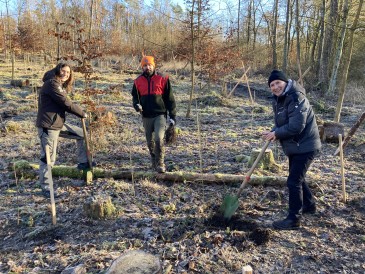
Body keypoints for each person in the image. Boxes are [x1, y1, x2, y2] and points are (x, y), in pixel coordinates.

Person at [262, 70, 321, 230]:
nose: (275, 87)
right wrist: (272, 132)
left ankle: (293, 219)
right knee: (297, 178)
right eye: (272, 85)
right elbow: (283, 122)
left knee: (294, 181)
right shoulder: (280, 100)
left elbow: (296, 125)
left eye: (278, 83)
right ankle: (309, 205)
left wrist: (277, 133)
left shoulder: (296, 97)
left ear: (285, 82)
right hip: (296, 146)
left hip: (305, 146)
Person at [36, 62, 92, 197]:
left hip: (57, 124)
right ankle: (46, 188)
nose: (65, 74)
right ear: (57, 70)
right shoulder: (52, 84)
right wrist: (82, 113)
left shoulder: (58, 84)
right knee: (48, 158)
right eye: (63, 71)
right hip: (48, 126)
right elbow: (66, 103)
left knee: (81, 134)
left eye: (68, 73)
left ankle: (83, 163)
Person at [131, 56, 177, 173]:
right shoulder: (137, 82)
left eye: (150, 65)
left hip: (160, 115)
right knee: (149, 141)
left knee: (158, 138)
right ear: (142, 67)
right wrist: (137, 105)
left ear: (154, 65)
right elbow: (135, 98)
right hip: (146, 115)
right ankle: (154, 161)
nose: (148, 67)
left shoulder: (163, 79)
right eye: (145, 65)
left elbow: (170, 99)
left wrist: (172, 116)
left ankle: (160, 163)